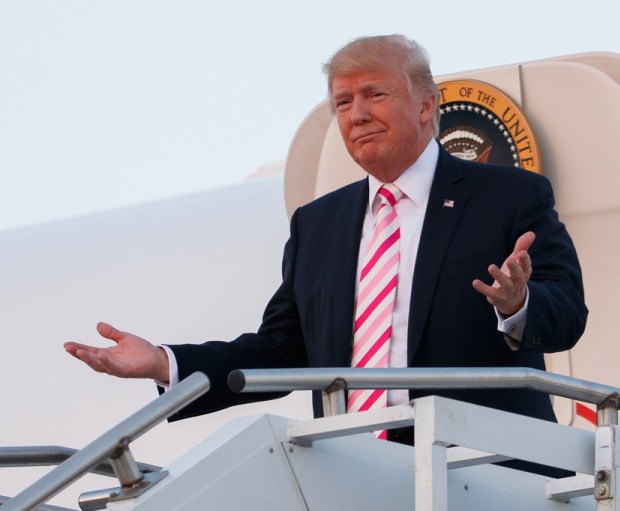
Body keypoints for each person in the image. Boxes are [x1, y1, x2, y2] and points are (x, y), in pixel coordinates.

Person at [64, 35, 587, 477]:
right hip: (352, 474)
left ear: (426, 105)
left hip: (486, 472)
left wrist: (517, 304)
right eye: (342, 102)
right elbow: (280, 351)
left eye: (374, 94)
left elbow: (567, 311)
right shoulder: (318, 224)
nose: (357, 114)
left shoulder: (509, 195)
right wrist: (166, 362)